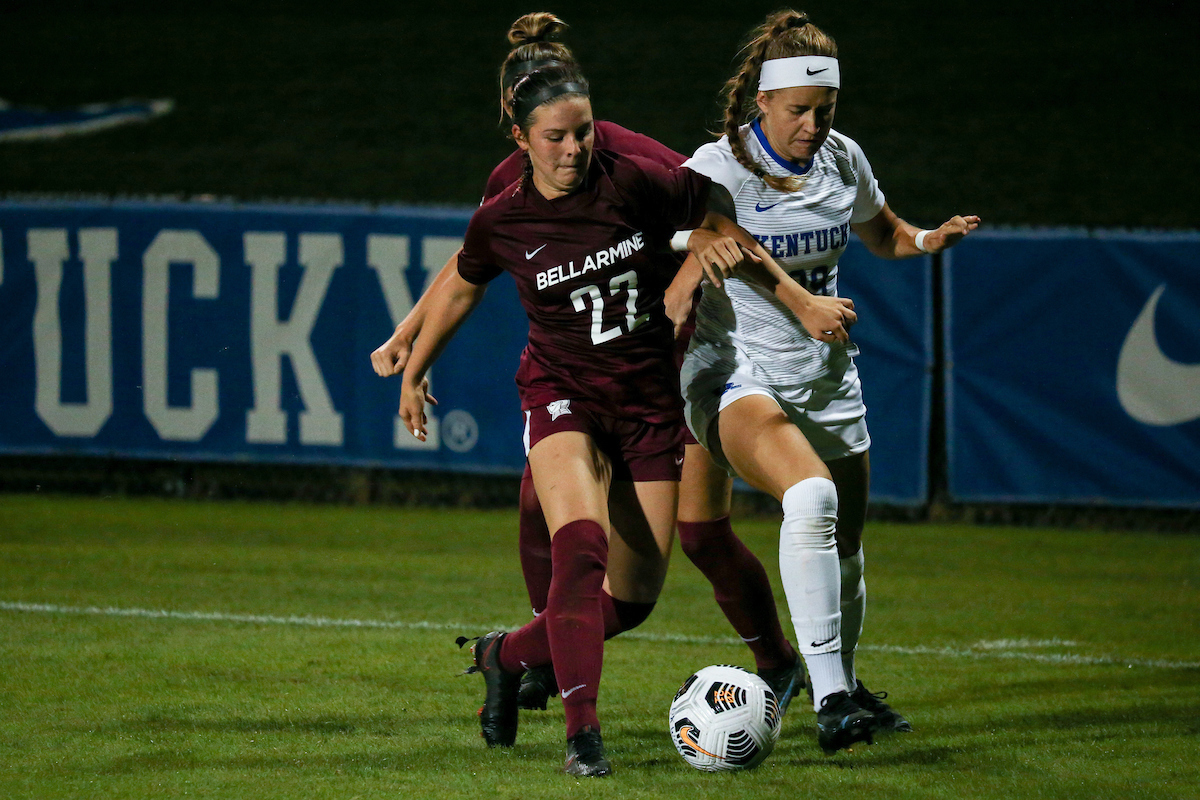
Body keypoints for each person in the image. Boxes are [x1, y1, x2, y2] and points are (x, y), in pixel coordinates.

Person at [371, 12, 845, 717]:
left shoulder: (620, 156)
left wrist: (716, 275)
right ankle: (544, 656)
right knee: (557, 510)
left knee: (699, 534)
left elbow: (708, 211)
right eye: (552, 134)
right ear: (517, 125)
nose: (570, 145)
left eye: (579, 128)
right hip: (577, 380)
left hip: (671, 367)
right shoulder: (514, 176)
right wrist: (410, 342)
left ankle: (773, 663)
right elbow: (476, 261)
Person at [675, 9, 980, 754]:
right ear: (763, 103)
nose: (813, 125)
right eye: (800, 111)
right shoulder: (714, 170)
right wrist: (781, 297)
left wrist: (924, 239)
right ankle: (832, 700)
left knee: (844, 539)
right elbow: (704, 251)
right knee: (810, 499)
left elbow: (883, 232)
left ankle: (839, 677)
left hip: (825, 372)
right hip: (733, 370)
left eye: (825, 110)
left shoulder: (844, 159)